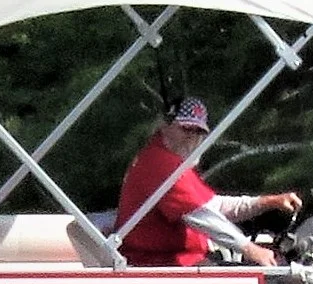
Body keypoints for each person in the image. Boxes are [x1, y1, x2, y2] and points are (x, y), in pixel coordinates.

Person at [114, 96, 302, 268]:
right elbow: (200, 215)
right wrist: (250, 249)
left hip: (180, 261)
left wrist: (268, 202)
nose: (193, 137)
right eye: (186, 129)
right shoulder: (161, 163)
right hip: (159, 265)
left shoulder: (173, 163)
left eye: (199, 131)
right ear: (165, 125)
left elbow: (212, 206)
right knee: (264, 278)